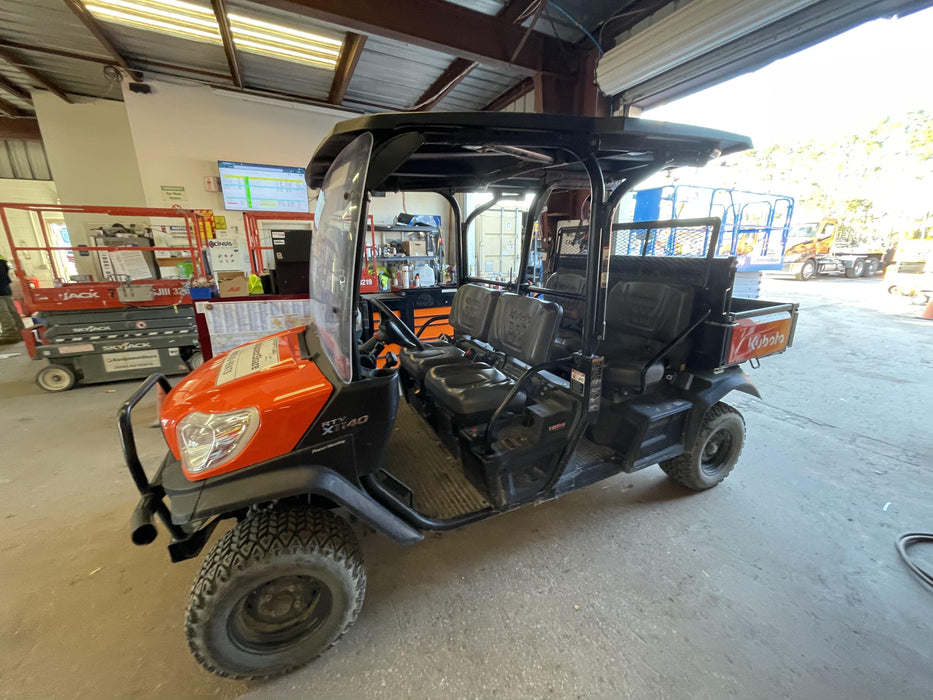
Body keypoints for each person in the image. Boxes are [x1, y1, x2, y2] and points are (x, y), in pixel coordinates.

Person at [0, 254, 25, 344]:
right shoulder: (2, 259)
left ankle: (10, 334)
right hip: (4, 288)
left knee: (3, 312)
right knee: (11, 311)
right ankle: (21, 332)